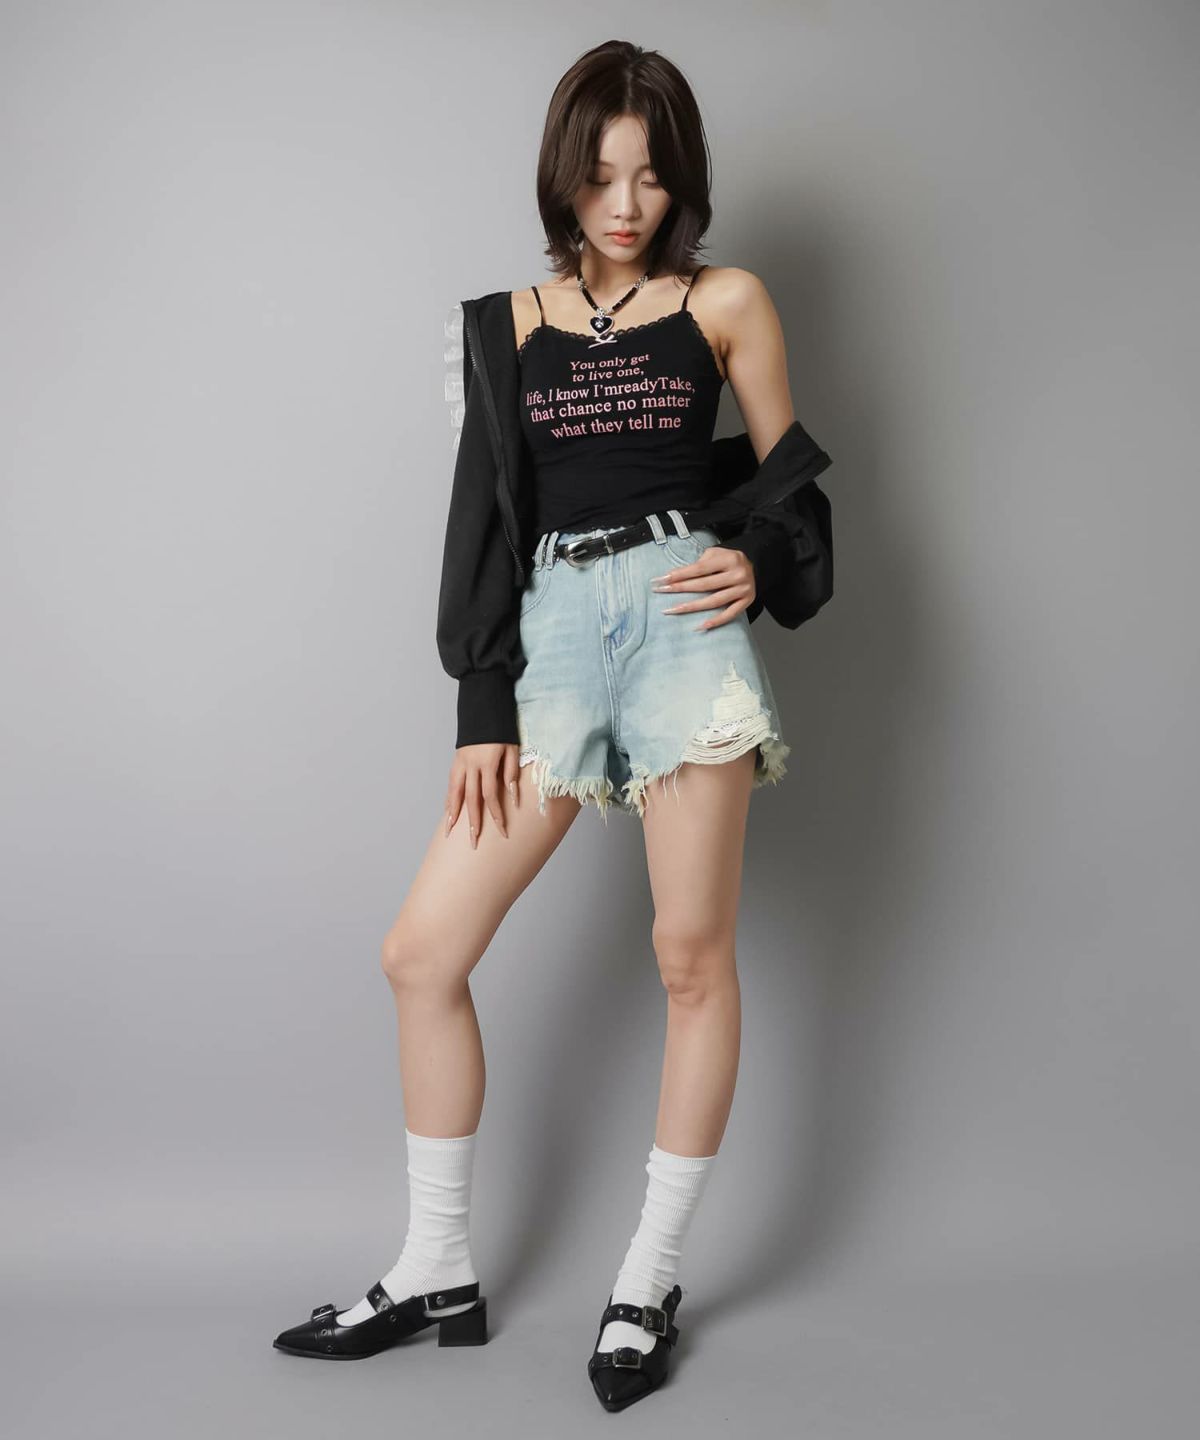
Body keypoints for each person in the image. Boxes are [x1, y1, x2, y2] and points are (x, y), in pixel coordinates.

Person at [273, 38, 832, 1414]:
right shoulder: (504, 324)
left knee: (689, 957)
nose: (625, 204)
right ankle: (436, 1267)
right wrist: (484, 704)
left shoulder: (726, 300)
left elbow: (795, 488)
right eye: (600, 176)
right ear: (562, 177)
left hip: (684, 626)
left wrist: (757, 558)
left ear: (681, 180)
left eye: (650, 176)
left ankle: (647, 1277)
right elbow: (481, 521)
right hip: (556, 643)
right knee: (423, 954)